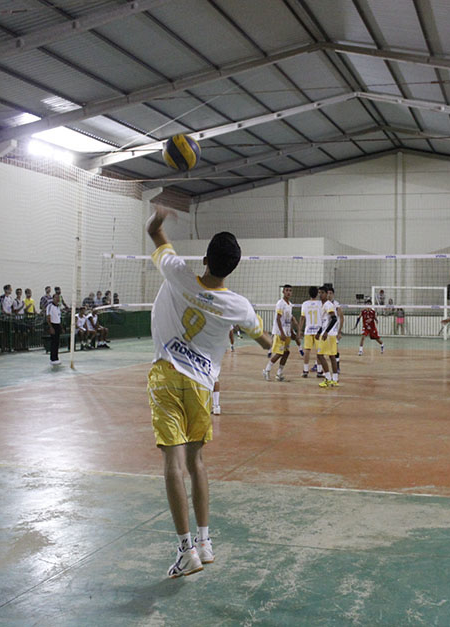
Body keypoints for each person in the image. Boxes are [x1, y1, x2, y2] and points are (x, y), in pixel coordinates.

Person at [146, 208, 271, 579]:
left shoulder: (178, 272)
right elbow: (265, 340)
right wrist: (276, 344)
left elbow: (154, 231)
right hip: (201, 385)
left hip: (167, 376)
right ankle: (204, 542)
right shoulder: (239, 306)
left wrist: (160, 214)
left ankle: (187, 552)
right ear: (232, 269)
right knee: (196, 463)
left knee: (172, 464)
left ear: (205, 259)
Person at [263, 285, 297, 382]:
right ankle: (267, 370)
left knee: (286, 353)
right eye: (287, 290)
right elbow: (278, 318)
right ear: (283, 292)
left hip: (287, 333)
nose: (288, 292)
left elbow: (289, 320)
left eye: (290, 290)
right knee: (279, 353)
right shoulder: (280, 303)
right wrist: (282, 333)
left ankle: (279, 373)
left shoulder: (290, 304)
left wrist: (291, 331)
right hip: (279, 332)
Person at [315, 286, 340, 388]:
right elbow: (325, 321)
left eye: (322, 293)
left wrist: (325, 332)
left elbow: (334, 319)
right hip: (331, 334)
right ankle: (334, 379)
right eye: (319, 292)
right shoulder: (324, 305)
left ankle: (327, 378)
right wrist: (319, 331)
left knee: (320, 355)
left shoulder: (328, 305)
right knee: (332, 356)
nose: (320, 294)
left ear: (326, 294)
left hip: (329, 335)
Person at [298, 286, 322, 378]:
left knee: (307, 351)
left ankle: (305, 370)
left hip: (308, 330)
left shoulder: (305, 304)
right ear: (318, 293)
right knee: (319, 351)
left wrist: (299, 330)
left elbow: (302, 318)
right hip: (318, 331)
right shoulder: (321, 304)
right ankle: (319, 371)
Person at [326, 286, 343, 373]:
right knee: (321, 348)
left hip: (334, 331)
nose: (329, 295)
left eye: (331, 293)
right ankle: (318, 366)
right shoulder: (324, 304)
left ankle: (337, 367)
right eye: (327, 293)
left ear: (333, 294)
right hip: (325, 331)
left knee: (335, 349)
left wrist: (339, 331)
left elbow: (342, 318)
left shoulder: (336, 304)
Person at [45, 293, 63, 366]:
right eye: (56, 297)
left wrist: (61, 327)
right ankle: (53, 358)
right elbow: (48, 317)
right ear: (53, 298)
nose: (57, 299)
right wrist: (51, 327)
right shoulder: (50, 306)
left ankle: (56, 357)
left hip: (57, 324)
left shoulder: (58, 307)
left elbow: (58, 317)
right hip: (53, 325)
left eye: (58, 298)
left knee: (57, 342)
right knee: (53, 342)